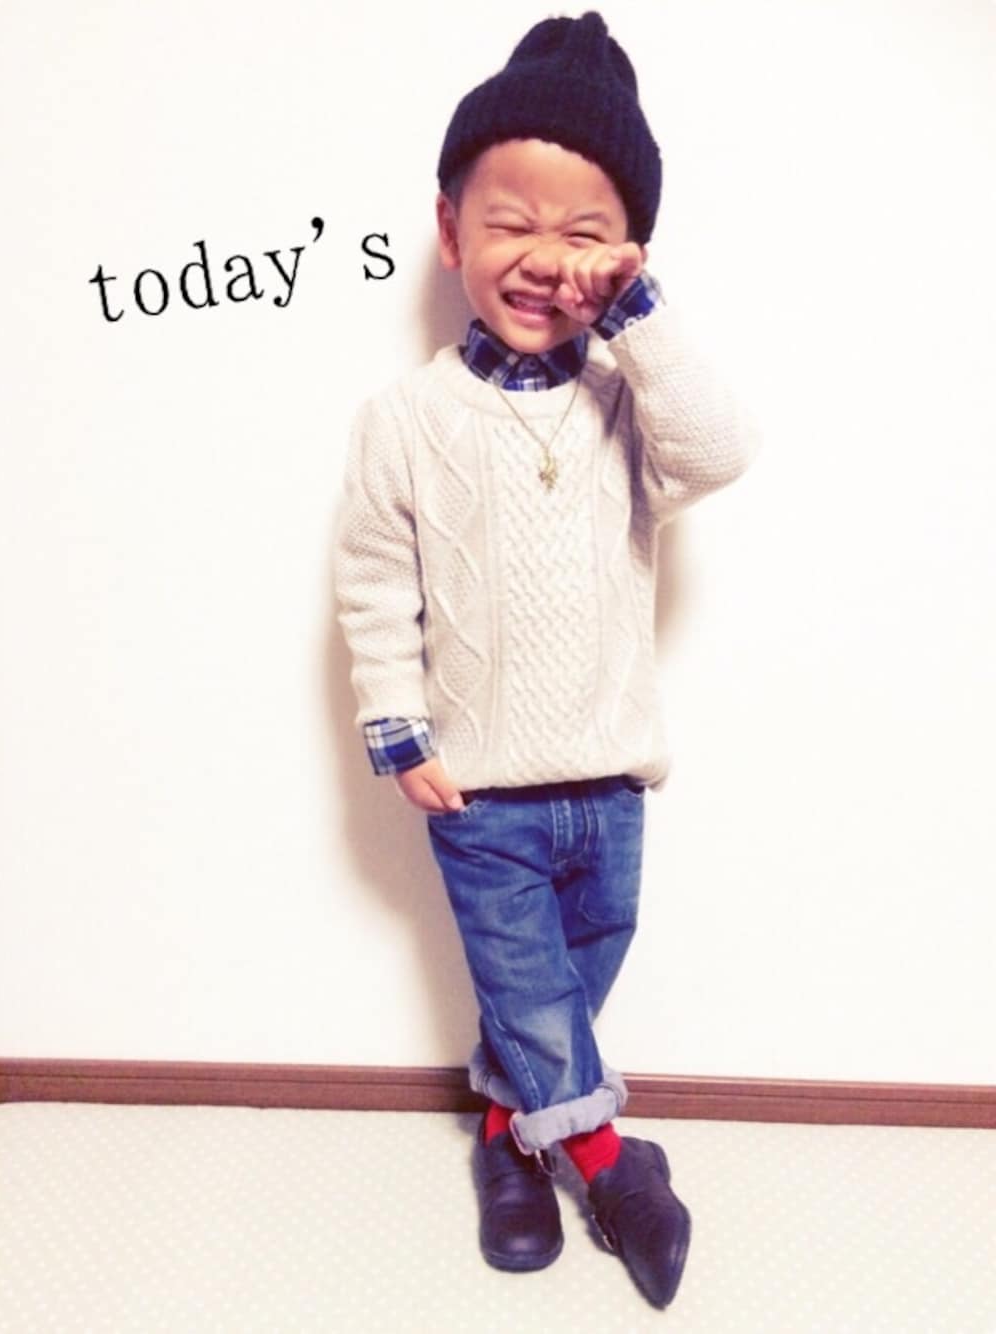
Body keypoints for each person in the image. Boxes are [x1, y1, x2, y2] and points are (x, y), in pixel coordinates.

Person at [336, 11, 757, 1310]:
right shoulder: (407, 419)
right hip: (482, 786)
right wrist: (396, 722)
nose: (543, 257)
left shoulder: (631, 406)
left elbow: (722, 450)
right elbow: (374, 582)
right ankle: (609, 1164)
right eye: (510, 222)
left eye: (585, 235)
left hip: (611, 778)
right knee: (525, 981)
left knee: (567, 979)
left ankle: (505, 1135)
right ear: (450, 228)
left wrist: (639, 317)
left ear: (627, 258)